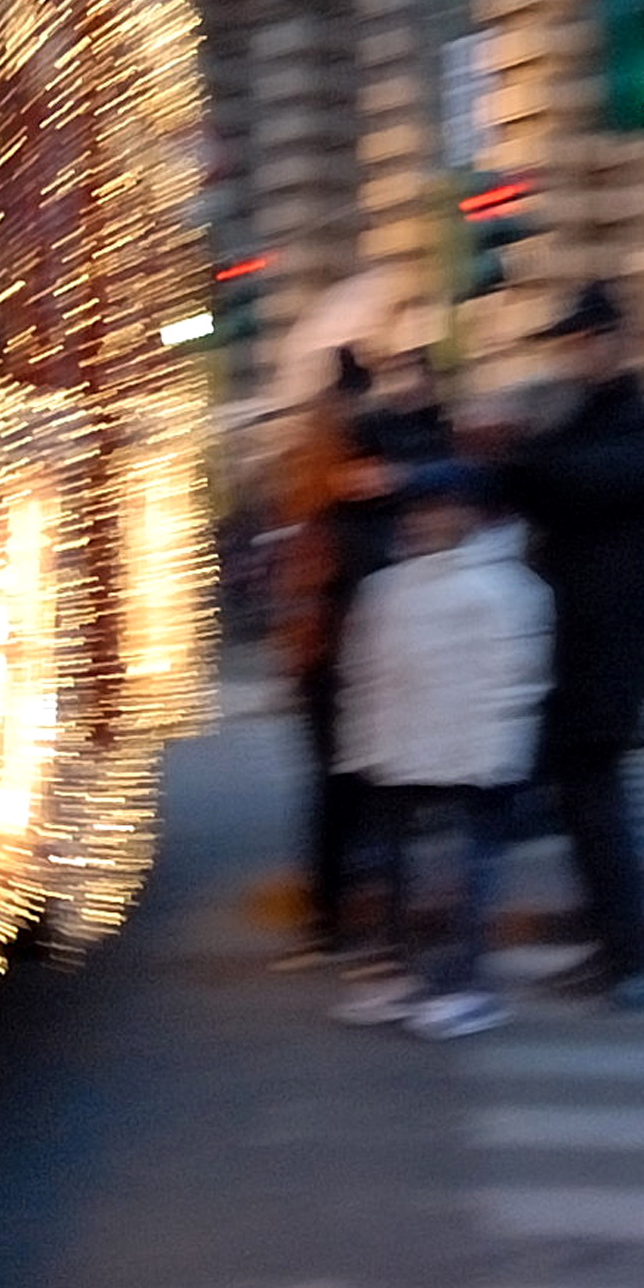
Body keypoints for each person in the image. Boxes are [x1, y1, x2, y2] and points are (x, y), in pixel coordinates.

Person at [494, 284, 644, 1007]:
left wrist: (517, 452)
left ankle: (633, 960)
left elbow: (577, 482)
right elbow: (538, 484)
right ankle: (611, 946)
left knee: (599, 803)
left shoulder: (638, 427)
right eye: (569, 343)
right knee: (580, 804)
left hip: (608, 645)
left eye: (584, 340)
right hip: (568, 643)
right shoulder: (586, 419)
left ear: (615, 340)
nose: (574, 353)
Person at [329, 464, 554, 1040]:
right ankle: (402, 973)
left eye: (439, 509)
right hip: (401, 753)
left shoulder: (506, 589)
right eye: (418, 511)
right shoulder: (386, 588)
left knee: (467, 873)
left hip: (470, 756)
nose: (426, 521)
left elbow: (517, 682)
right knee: (398, 869)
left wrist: (495, 754)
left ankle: (466, 985)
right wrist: (364, 746)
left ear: (469, 514)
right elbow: (366, 674)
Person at [271, 349, 452, 971]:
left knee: (347, 786)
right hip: (338, 651)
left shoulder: (327, 461)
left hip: (330, 648)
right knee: (352, 784)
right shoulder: (337, 466)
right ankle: (345, 922)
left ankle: (340, 919)